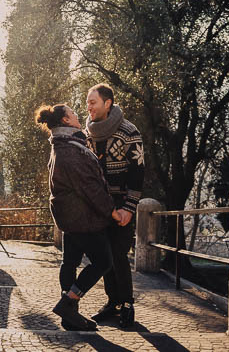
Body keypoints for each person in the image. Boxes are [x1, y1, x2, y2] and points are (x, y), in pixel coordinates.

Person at [35, 103, 129, 331]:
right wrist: (112, 211)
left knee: (70, 262)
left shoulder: (64, 144)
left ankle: (70, 318)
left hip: (70, 217)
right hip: (83, 218)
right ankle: (69, 304)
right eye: (73, 113)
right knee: (104, 261)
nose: (78, 115)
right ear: (66, 121)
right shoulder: (70, 150)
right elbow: (90, 187)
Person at [85, 83, 145, 328]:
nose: (88, 107)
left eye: (93, 102)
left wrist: (129, 208)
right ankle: (113, 302)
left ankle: (127, 304)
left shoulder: (129, 132)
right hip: (99, 207)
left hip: (121, 206)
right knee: (104, 256)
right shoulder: (87, 133)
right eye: (87, 102)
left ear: (107, 103)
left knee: (118, 254)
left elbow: (138, 174)